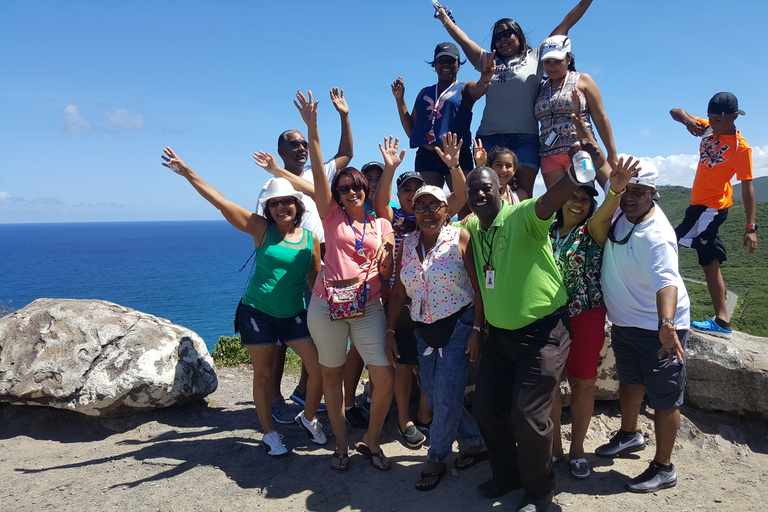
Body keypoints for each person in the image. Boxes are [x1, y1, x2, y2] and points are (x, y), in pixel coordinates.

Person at [462, 141, 600, 512]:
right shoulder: (474, 227)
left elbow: (551, 199)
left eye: (485, 187)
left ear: (500, 190)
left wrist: (578, 169)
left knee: (529, 416)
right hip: (501, 338)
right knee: (487, 408)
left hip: (543, 334)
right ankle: (506, 475)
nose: (478, 193)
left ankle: (539, 490)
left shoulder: (523, 215)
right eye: (471, 189)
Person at [160, 151, 326, 458]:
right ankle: (269, 434)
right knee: (263, 374)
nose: (279, 207)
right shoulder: (260, 228)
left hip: (293, 315)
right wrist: (187, 172)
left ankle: (309, 417)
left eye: (285, 201)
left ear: (297, 205)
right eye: (273, 203)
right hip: (257, 313)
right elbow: (221, 202)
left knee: (318, 369)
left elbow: (317, 281)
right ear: (267, 208)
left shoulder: (310, 239)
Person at [297, 90, 397, 472]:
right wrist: (313, 125)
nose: (352, 191)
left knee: (383, 375)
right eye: (345, 188)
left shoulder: (381, 222)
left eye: (357, 186)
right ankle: (340, 443)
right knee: (332, 375)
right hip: (326, 305)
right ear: (337, 194)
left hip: (367, 306)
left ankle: (370, 440)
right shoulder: (329, 215)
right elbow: (321, 172)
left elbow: (386, 268)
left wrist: (386, 258)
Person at [252, 87, 353, 424]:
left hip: (319, 258)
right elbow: (262, 233)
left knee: (315, 331)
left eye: (303, 143)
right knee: (281, 336)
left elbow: (347, 152)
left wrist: (343, 115)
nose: (300, 147)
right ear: (281, 150)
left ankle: (304, 391)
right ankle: (275, 397)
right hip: (289, 263)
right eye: (293, 144)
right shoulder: (271, 187)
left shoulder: (320, 171)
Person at [596, 163, 691, 494]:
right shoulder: (624, 209)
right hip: (625, 323)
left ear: (653, 194)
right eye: (627, 190)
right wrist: (588, 140)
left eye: (639, 191)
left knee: (665, 398)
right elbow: (610, 178)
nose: (629, 197)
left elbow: (667, 282)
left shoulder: (658, 236)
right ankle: (630, 434)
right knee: (630, 381)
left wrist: (666, 323)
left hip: (658, 330)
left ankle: (664, 467)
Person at [436, 0, 594, 198]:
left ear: (518, 35)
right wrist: (444, 18)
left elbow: (567, 23)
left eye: (507, 33)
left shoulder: (536, 57)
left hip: (525, 138)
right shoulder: (488, 61)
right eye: (497, 37)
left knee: (523, 195)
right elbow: (464, 40)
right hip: (489, 137)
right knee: (484, 193)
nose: (502, 39)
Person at [385, 184, 486, 491]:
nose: (427, 213)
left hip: (458, 326)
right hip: (422, 331)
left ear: (446, 209)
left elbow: (478, 286)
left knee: (444, 396)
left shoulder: (460, 237)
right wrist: (390, 330)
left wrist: (477, 331)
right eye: (420, 207)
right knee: (439, 395)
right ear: (413, 211)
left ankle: (436, 458)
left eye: (434, 206)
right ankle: (479, 441)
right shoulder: (408, 243)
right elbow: (400, 290)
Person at [548, 156, 640, 478]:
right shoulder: (546, 229)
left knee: (583, 385)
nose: (578, 203)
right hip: (548, 317)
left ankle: (576, 451)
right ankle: (554, 447)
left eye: (585, 199)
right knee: (550, 385)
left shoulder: (592, 230)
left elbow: (605, 213)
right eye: (573, 196)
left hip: (585, 316)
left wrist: (614, 191)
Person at [374, 133, 469, 449]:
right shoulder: (402, 224)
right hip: (410, 309)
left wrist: (454, 165)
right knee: (412, 369)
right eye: (409, 192)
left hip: (448, 314)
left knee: (436, 380)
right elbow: (380, 205)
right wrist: (390, 169)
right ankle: (410, 421)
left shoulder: (449, 230)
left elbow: (458, 196)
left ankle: (433, 435)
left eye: (423, 194)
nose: (416, 198)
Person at [670, 92, 757, 339]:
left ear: (732, 117)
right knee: (709, 262)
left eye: (718, 119)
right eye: (710, 118)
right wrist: (688, 121)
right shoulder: (708, 129)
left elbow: (748, 186)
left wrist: (751, 227)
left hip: (710, 208)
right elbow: (675, 110)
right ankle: (722, 320)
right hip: (700, 206)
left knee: (666, 245)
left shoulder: (740, 148)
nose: (713, 123)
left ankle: (661, 308)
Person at [391, 41, 495, 201]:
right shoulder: (424, 93)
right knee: (428, 202)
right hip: (427, 155)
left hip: (457, 153)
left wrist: (485, 79)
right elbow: (412, 132)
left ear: (459, 65)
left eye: (451, 60)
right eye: (441, 61)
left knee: (466, 202)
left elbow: (479, 89)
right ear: (435, 64)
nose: (446, 64)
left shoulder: (464, 89)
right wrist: (400, 100)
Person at [534, 35, 617, 189]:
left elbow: (600, 117)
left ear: (569, 59)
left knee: (584, 200)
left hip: (581, 149)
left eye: (557, 61)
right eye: (547, 62)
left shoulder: (583, 80)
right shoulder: (540, 88)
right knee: (558, 207)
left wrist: (612, 152)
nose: (552, 66)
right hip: (549, 155)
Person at [473, 140, 529, 205]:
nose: (503, 170)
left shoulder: (521, 196)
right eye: (499, 165)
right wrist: (480, 164)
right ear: (490, 168)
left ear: (514, 170)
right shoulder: (483, 195)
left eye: (508, 166)